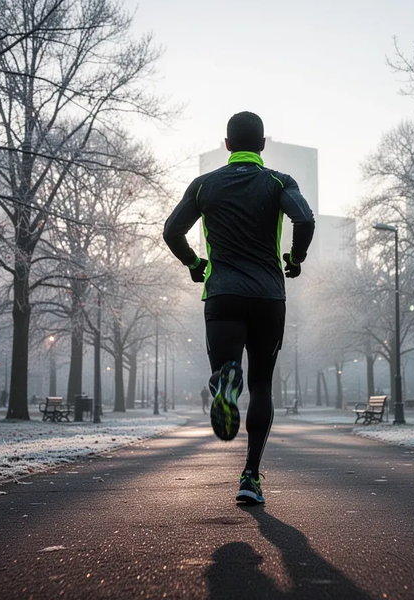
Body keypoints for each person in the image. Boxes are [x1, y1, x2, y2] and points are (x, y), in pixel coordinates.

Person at [163, 111, 315, 504]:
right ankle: (250, 476)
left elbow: (172, 231)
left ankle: (225, 384)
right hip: (268, 297)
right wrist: (295, 258)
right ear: (262, 145)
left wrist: (194, 263)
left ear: (227, 145)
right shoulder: (279, 182)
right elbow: (304, 219)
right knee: (262, 385)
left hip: (223, 294)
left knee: (225, 371)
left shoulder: (204, 185)